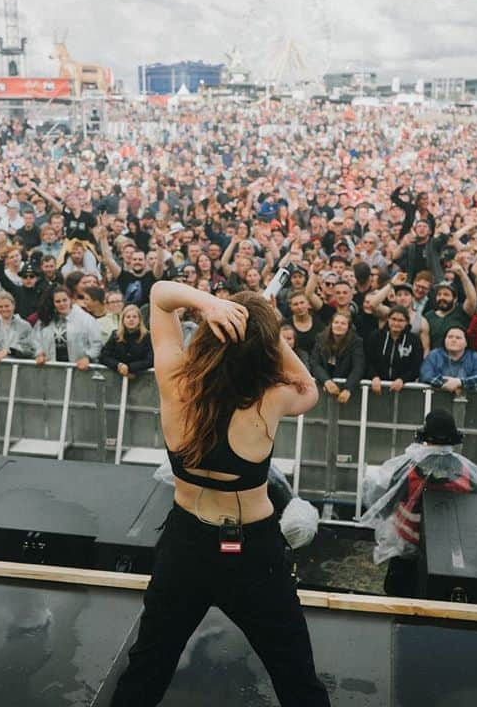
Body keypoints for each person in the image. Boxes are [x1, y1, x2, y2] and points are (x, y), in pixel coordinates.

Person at [109, 282, 330, 707]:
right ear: (263, 349)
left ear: (210, 333)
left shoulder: (175, 381)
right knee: (296, 677)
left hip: (186, 545)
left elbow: (159, 294)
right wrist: (267, 329)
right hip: (252, 554)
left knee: (147, 669)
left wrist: (211, 304)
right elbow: (309, 389)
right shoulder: (272, 398)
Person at [359, 409, 477, 598]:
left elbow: (385, 504)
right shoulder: (466, 471)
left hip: (407, 550)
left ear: (424, 436)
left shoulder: (408, 469)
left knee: (400, 595)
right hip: (448, 553)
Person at [32, 285, 102, 368]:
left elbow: (97, 343)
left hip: (79, 369)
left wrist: (88, 357)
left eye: (64, 300)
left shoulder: (86, 319)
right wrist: (39, 353)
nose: (62, 304)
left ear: (71, 300)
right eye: (57, 301)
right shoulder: (46, 318)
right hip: (52, 368)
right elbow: (35, 339)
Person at [309, 312, 365, 405]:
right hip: (324, 387)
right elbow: (315, 363)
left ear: (348, 327)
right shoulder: (321, 338)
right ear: (331, 325)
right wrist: (326, 381)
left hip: (347, 389)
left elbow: (358, 367)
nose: (339, 326)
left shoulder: (356, 342)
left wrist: (348, 389)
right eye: (336, 322)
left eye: (343, 323)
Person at [365, 306, 422, 395]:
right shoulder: (376, 336)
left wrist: (403, 380)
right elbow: (368, 361)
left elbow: (416, 367)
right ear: (388, 319)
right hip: (377, 388)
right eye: (393, 319)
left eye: (400, 320)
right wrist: (374, 376)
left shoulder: (414, 341)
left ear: (407, 322)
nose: (396, 323)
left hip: (404, 389)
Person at [420, 326, 477, 394]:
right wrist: (449, 384)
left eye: (458, 338)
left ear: (466, 343)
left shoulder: (476, 358)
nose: (453, 340)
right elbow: (426, 376)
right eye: (450, 337)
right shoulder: (434, 355)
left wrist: (459, 382)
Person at [100, 304, 154, 378]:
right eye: (128, 317)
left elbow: (150, 360)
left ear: (139, 320)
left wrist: (129, 368)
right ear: (123, 320)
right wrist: (119, 365)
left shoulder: (147, 336)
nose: (131, 319)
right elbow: (104, 356)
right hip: (116, 377)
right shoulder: (115, 335)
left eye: (134, 317)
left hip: (140, 379)